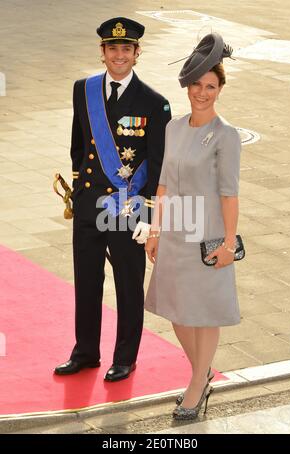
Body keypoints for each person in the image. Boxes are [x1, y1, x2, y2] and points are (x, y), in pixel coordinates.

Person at [55, 17, 171, 381]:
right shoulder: (83, 89)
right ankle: (85, 352)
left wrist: (149, 218)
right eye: (112, 48)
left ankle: (125, 357)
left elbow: (158, 165)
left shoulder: (155, 104)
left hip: (126, 209)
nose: (119, 55)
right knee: (87, 282)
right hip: (90, 205)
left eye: (126, 49)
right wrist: (78, 191)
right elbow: (78, 146)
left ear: (137, 54)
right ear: (102, 52)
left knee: (127, 285)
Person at [145, 33, 241, 419]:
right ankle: (202, 375)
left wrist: (229, 243)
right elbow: (164, 182)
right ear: (187, 86)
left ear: (220, 89)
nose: (203, 93)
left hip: (209, 235)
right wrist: (155, 230)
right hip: (175, 232)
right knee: (178, 312)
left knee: (203, 312)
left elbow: (230, 194)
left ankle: (197, 384)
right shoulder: (173, 127)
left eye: (211, 87)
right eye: (197, 85)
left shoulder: (226, 135)